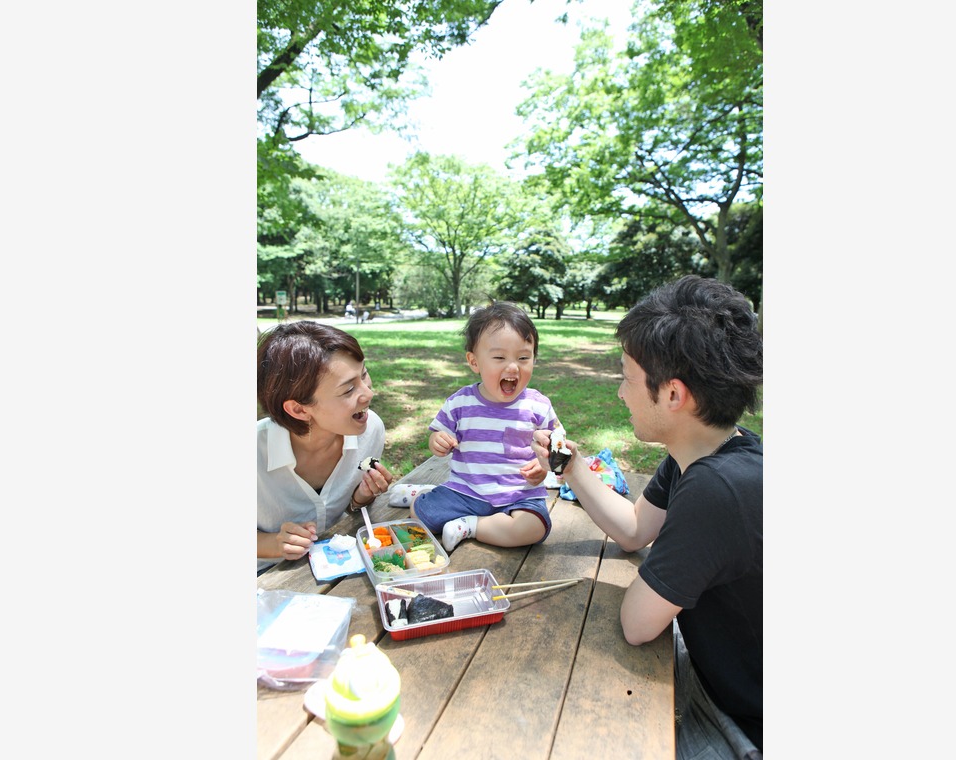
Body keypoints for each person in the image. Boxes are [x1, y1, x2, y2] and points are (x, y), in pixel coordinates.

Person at [530, 276, 763, 757]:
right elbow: (635, 530)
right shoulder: (707, 450)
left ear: (673, 395)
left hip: (742, 722)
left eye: (627, 378)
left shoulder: (716, 489)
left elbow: (638, 623)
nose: (620, 394)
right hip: (714, 676)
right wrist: (570, 465)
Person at [412, 301, 557, 551]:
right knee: (421, 515)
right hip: (467, 490)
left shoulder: (538, 405)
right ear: (474, 362)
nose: (513, 367)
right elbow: (438, 433)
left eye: (524, 357)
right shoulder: (460, 402)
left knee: (534, 528)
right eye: (499, 357)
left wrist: (545, 464)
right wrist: (437, 441)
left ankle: (470, 526)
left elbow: (557, 444)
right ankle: (419, 494)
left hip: (520, 494)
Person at [257, 322, 395, 574]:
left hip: (340, 567)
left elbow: (343, 510)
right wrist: (274, 543)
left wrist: (360, 497)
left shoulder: (370, 428)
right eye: (349, 388)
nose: (368, 393)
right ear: (299, 409)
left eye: (363, 374)